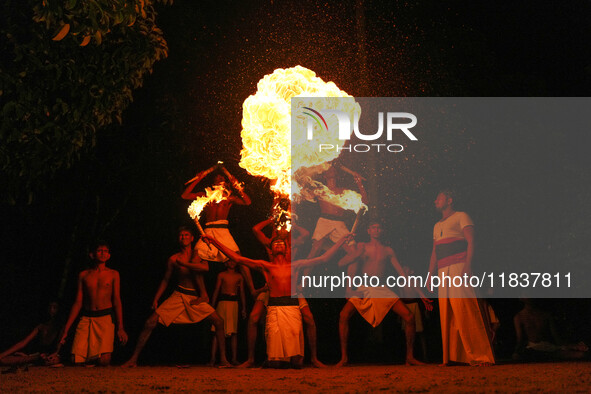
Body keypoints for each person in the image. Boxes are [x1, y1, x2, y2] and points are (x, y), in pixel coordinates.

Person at [203, 232, 352, 368]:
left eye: (282, 243)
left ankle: (310, 358)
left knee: (297, 363)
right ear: (271, 250)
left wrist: (341, 240)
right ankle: (257, 360)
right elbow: (237, 258)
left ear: (287, 249)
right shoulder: (265, 266)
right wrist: (214, 240)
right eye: (275, 244)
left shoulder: (296, 265)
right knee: (275, 363)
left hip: (292, 309)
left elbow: (324, 258)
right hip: (275, 309)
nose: (279, 244)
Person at [122, 227, 231, 367]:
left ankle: (223, 359)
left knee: (219, 322)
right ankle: (133, 359)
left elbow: (205, 269)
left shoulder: (200, 255)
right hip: (179, 295)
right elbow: (165, 280)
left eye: (186, 235)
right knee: (150, 322)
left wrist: (185, 264)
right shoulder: (173, 259)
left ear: (192, 238)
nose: (183, 237)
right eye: (181, 235)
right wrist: (156, 298)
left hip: (195, 298)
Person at [337, 222, 433, 366]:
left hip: (381, 288)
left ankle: (410, 357)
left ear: (382, 231)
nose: (376, 230)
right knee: (343, 315)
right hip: (364, 287)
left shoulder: (388, 250)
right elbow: (341, 263)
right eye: (373, 227)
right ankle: (344, 357)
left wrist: (421, 294)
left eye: (379, 228)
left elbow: (403, 275)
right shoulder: (361, 246)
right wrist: (356, 254)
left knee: (409, 317)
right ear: (368, 230)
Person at [427, 190, 495, 366]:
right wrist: (430, 275)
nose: (435, 200)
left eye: (439, 197)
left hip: (459, 266)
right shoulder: (436, 225)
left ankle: (481, 355)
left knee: (466, 307)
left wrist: (468, 265)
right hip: (443, 270)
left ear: (449, 200)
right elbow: (435, 251)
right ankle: (454, 356)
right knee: (448, 312)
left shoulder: (461, 216)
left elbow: (472, 241)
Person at [182, 163, 257, 297]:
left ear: (224, 182)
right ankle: (203, 294)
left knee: (240, 259)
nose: (218, 179)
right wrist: (198, 179)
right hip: (208, 230)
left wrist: (237, 186)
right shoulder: (205, 195)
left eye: (220, 177)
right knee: (194, 259)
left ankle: (252, 290)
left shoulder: (228, 197)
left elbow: (247, 202)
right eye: (216, 178)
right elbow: (185, 195)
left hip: (223, 230)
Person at [60, 242, 128, 366]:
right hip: (87, 317)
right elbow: (78, 302)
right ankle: (89, 359)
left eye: (106, 251)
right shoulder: (83, 275)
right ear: (92, 255)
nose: (103, 253)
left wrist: (121, 327)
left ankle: (95, 360)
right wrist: (66, 328)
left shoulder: (113, 274)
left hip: (105, 317)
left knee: (104, 361)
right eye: (99, 251)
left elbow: (117, 300)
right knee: (75, 360)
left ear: (109, 255)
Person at [307, 164, 367, 259]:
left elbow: (364, 202)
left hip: (339, 222)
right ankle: (303, 274)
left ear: (337, 175)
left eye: (333, 169)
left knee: (354, 253)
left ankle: (344, 268)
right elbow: (301, 195)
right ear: (324, 176)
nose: (331, 170)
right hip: (324, 221)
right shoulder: (319, 190)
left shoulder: (343, 191)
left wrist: (359, 183)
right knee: (314, 251)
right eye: (328, 170)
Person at [513, 299, 588, 361]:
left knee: (581, 355)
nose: (529, 297)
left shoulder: (546, 315)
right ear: (520, 298)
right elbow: (520, 340)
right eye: (526, 294)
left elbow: (557, 339)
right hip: (532, 348)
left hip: (548, 348)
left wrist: (572, 346)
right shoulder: (519, 317)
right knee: (526, 354)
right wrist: (516, 352)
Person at [0, 301, 62, 368]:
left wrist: (55, 353)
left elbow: (60, 344)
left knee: (53, 359)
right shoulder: (41, 326)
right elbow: (23, 342)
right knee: (4, 360)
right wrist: (3, 354)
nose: (51, 310)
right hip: (37, 356)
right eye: (50, 307)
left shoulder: (60, 326)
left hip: (51, 356)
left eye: (54, 308)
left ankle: (31, 360)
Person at [208, 259, 246, 366]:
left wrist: (243, 308)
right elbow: (216, 289)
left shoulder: (239, 276)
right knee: (217, 331)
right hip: (222, 302)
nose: (232, 263)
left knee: (234, 332)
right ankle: (213, 359)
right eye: (229, 261)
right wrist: (212, 306)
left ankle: (234, 359)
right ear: (225, 263)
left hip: (234, 304)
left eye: (233, 261)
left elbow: (242, 292)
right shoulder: (221, 275)